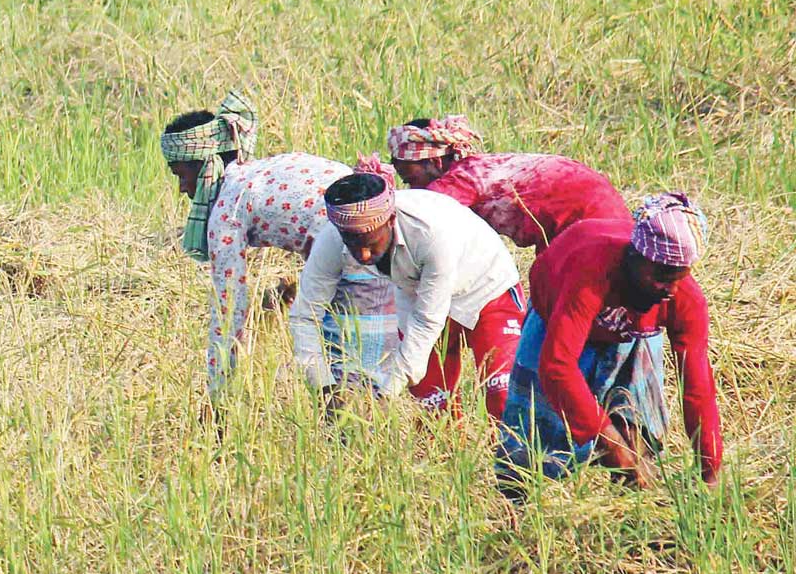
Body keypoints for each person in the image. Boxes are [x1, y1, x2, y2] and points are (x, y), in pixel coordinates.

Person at [158, 93, 397, 400]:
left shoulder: (228, 205)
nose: (182, 189)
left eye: (181, 176)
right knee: (373, 358)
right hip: (381, 228)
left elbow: (228, 307)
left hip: (351, 243)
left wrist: (218, 395)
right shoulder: (260, 173)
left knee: (346, 372)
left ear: (206, 165)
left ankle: (347, 433)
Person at [496, 194, 720, 492]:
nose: (670, 289)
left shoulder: (683, 298)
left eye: (679, 277)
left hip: (630, 332)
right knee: (531, 442)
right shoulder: (591, 272)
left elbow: (697, 387)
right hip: (556, 318)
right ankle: (518, 512)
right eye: (662, 276)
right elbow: (558, 366)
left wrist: (710, 468)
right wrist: (606, 439)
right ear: (635, 258)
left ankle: (636, 514)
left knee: (636, 436)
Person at [290, 172, 523, 420]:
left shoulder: (430, 234)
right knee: (433, 406)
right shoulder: (333, 238)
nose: (364, 256)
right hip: (418, 295)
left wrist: (385, 394)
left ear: (391, 220)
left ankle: (511, 456)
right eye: (353, 244)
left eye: (371, 243)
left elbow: (426, 321)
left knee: (502, 394)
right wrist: (324, 386)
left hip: (487, 290)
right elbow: (305, 315)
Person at [380, 115, 629, 250]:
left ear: (435, 163)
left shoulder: (463, 178)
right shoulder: (480, 167)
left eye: (411, 180)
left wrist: (374, 196)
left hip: (589, 216)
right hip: (594, 207)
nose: (414, 190)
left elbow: (417, 210)